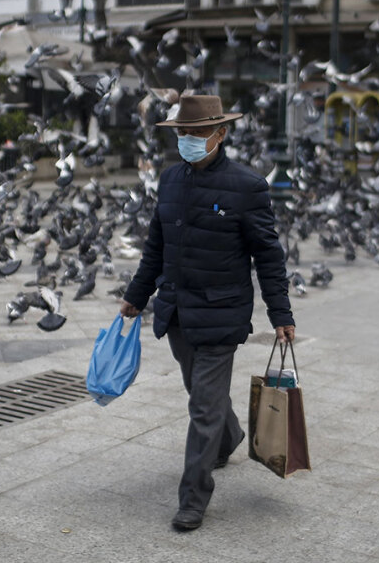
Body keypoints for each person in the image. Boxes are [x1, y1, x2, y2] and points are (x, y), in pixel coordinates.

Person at [119, 95, 295, 532]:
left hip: (221, 314)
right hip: (176, 311)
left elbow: (268, 255)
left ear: (220, 133)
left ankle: (193, 498)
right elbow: (156, 245)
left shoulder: (247, 186)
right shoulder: (170, 179)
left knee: (202, 407)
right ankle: (229, 435)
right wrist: (136, 295)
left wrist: (281, 313)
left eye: (197, 132)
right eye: (182, 132)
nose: (187, 139)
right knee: (202, 394)